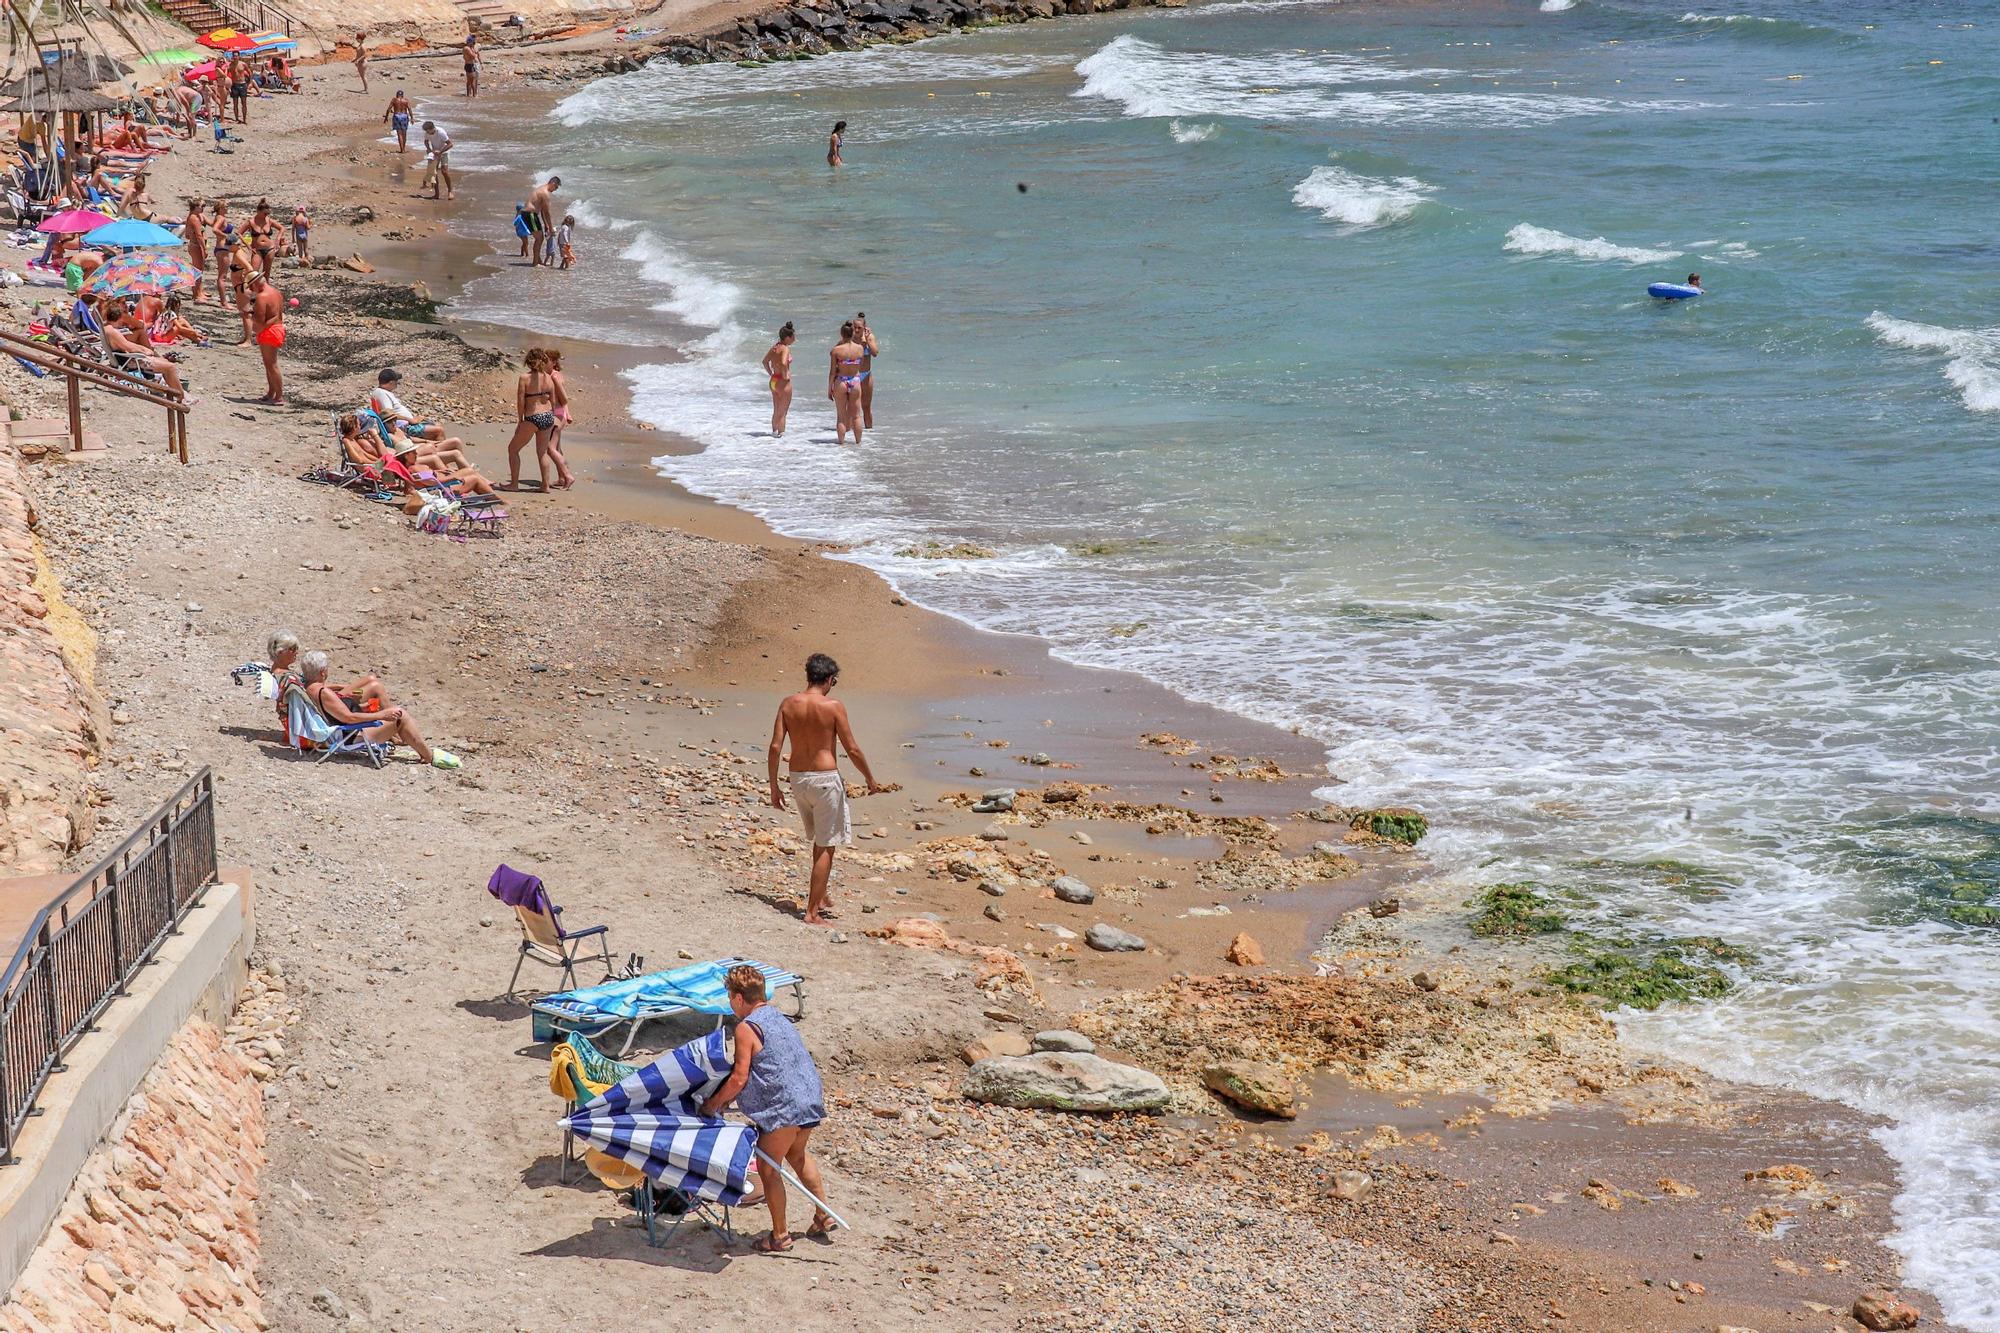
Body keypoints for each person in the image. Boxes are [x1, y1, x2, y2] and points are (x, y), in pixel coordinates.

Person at [698, 965, 830, 1254]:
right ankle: (823, 1215)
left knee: (769, 1170)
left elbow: (739, 1077)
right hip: (808, 1097)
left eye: (730, 997)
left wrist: (713, 1104)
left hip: (784, 1107)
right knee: (797, 1154)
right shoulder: (778, 1016)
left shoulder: (747, 1027)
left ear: (737, 997)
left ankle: (780, 1236)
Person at [767, 653, 882, 925]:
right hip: (825, 779)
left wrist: (774, 786)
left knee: (819, 840)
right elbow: (851, 748)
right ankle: (811, 913)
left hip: (798, 778)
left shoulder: (788, 704)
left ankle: (818, 896)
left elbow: (775, 747)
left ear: (808, 676)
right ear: (830, 679)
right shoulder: (833, 706)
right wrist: (870, 779)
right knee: (827, 845)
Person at [300, 650, 459, 769]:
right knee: (400, 716)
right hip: (351, 735)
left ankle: (412, 743)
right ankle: (429, 756)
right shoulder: (324, 693)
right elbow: (349, 718)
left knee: (393, 712)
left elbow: (341, 714)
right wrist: (381, 714)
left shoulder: (310, 689)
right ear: (323, 672)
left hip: (340, 733)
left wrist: (364, 708)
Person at [101, 299, 194, 403]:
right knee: (170, 367)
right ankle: (181, 397)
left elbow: (127, 346)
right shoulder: (113, 332)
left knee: (166, 364)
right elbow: (129, 347)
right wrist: (145, 350)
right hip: (130, 361)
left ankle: (175, 391)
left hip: (126, 358)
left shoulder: (106, 328)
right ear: (119, 318)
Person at [501, 348, 564, 491]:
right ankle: (545, 486)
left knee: (513, 449)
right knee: (542, 453)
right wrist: (552, 415)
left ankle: (514, 484)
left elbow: (520, 401)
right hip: (548, 416)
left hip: (533, 417)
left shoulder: (524, 378)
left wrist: (520, 420)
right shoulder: (549, 378)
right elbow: (553, 401)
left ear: (528, 361)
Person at [369, 367, 449, 443]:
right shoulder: (381, 393)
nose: (397, 384)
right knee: (439, 430)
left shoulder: (382, 392)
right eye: (396, 381)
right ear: (391, 382)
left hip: (405, 424)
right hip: (404, 427)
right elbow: (390, 414)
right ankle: (445, 453)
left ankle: (439, 450)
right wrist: (411, 420)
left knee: (435, 425)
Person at [828, 321, 866, 447]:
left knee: (841, 416)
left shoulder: (836, 350)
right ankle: (858, 443)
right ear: (853, 333)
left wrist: (829, 388)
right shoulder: (860, 348)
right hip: (855, 380)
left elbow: (832, 372)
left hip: (841, 381)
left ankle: (841, 444)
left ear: (841, 334)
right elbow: (859, 366)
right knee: (856, 415)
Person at [248, 272, 284, 405]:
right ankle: (271, 392)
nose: (251, 290)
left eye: (251, 286)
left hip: (269, 331)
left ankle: (279, 396)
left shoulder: (262, 297)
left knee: (271, 364)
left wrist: (251, 315)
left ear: (256, 283)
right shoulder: (276, 292)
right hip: (278, 329)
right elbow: (277, 314)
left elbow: (259, 321)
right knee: (269, 364)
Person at [762, 322, 795, 436]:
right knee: (783, 411)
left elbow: (765, 361)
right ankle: (781, 435)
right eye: (793, 337)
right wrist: (785, 375)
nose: (794, 339)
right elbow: (783, 362)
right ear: (787, 338)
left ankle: (774, 432)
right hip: (782, 381)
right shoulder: (785, 348)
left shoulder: (775, 347)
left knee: (776, 408)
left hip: (774, 380)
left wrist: (771, 373)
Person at [854, 311, 880, 430]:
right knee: (854, 406)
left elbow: (875, 353)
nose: (857, 330)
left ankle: (870, 432)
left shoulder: (870, 337)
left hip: (866, 374)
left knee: (866, 406)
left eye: (859, 328)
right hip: (854, 375)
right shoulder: (851, 338)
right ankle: (852, 432)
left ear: (864, 328)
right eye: (855, 328)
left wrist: (867, 341)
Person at [527, 175, 560, 267]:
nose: (555, 190)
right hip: (530, 214)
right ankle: (535, 263)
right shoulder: (545, 193)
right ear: (553, 183)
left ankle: (538, 260)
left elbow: (542, 210)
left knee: (539, 237)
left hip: (531, 214)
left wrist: (546, 225)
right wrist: (551, 228)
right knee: (539, 238)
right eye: (556, 187)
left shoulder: (541, 189)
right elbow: (547, 213)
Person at [182, 197, 207, 303]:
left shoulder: (191, 217)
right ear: (196, 207)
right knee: (197, 271)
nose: (203, 209)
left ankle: (198, 292)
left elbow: (187, 235)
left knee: (198, 270)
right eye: (202, 206)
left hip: (194, 245)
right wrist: (204, 249)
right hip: (196, 246)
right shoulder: (194, 219)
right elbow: (199, 235)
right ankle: (196, 295)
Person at [422, 121, 454, 201]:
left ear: (431, 128)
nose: (426, 133)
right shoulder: (427, 133)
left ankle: (450, 191)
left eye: (427, 131)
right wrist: (429, 149)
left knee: (444, 171)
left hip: (444, 152)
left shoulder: (441, 132)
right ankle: (436, 194)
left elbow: (450, 144)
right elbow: (426, 141)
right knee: (434, 172)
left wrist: (440, 152)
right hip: (434, 153)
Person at [247, 199, 278, 278]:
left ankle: (265, 290)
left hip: (270, 249)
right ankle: (254, 289)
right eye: (265, 213)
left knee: (266, 274)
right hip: (257, 250)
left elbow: (282, 228)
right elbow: (239, 233)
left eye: (268, 213)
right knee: (253, 274)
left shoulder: (269, 221)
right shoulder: (251, 222)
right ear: (258, 211)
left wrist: (277, 239)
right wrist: (248, 246)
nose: (266, 215)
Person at [383, 88, 413, 154]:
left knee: (399, 133)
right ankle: (404, 149)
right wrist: (412, 118)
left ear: (397, 95)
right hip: (404, 116)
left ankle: (401, 149)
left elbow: (388, 109)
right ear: (402, 95)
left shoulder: (394, 100)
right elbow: (410, 109)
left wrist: (386, 117)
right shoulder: (406, 100)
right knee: (404, 133)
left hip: (397, 116)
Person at [227, 54, 249, 125]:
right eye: (234, 56)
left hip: (242, 84)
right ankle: (236, 118)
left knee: (244, 103)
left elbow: (249, 72)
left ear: (239, 56)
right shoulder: (230, 65)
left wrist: (249, 82)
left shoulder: (243, 64)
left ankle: (244, 119)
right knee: (235, 103)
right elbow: (226, 73)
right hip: (235, 84)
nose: (235, 57)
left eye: (236, 56)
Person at [463, 30, 482, 98]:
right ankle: (474, 95)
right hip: (469, 65)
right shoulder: (467, 48)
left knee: (469, 81)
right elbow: (473, 56)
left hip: (470, 65)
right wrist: (475, 51)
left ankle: (469, 94)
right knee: (472, 81)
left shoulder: (469, 48)